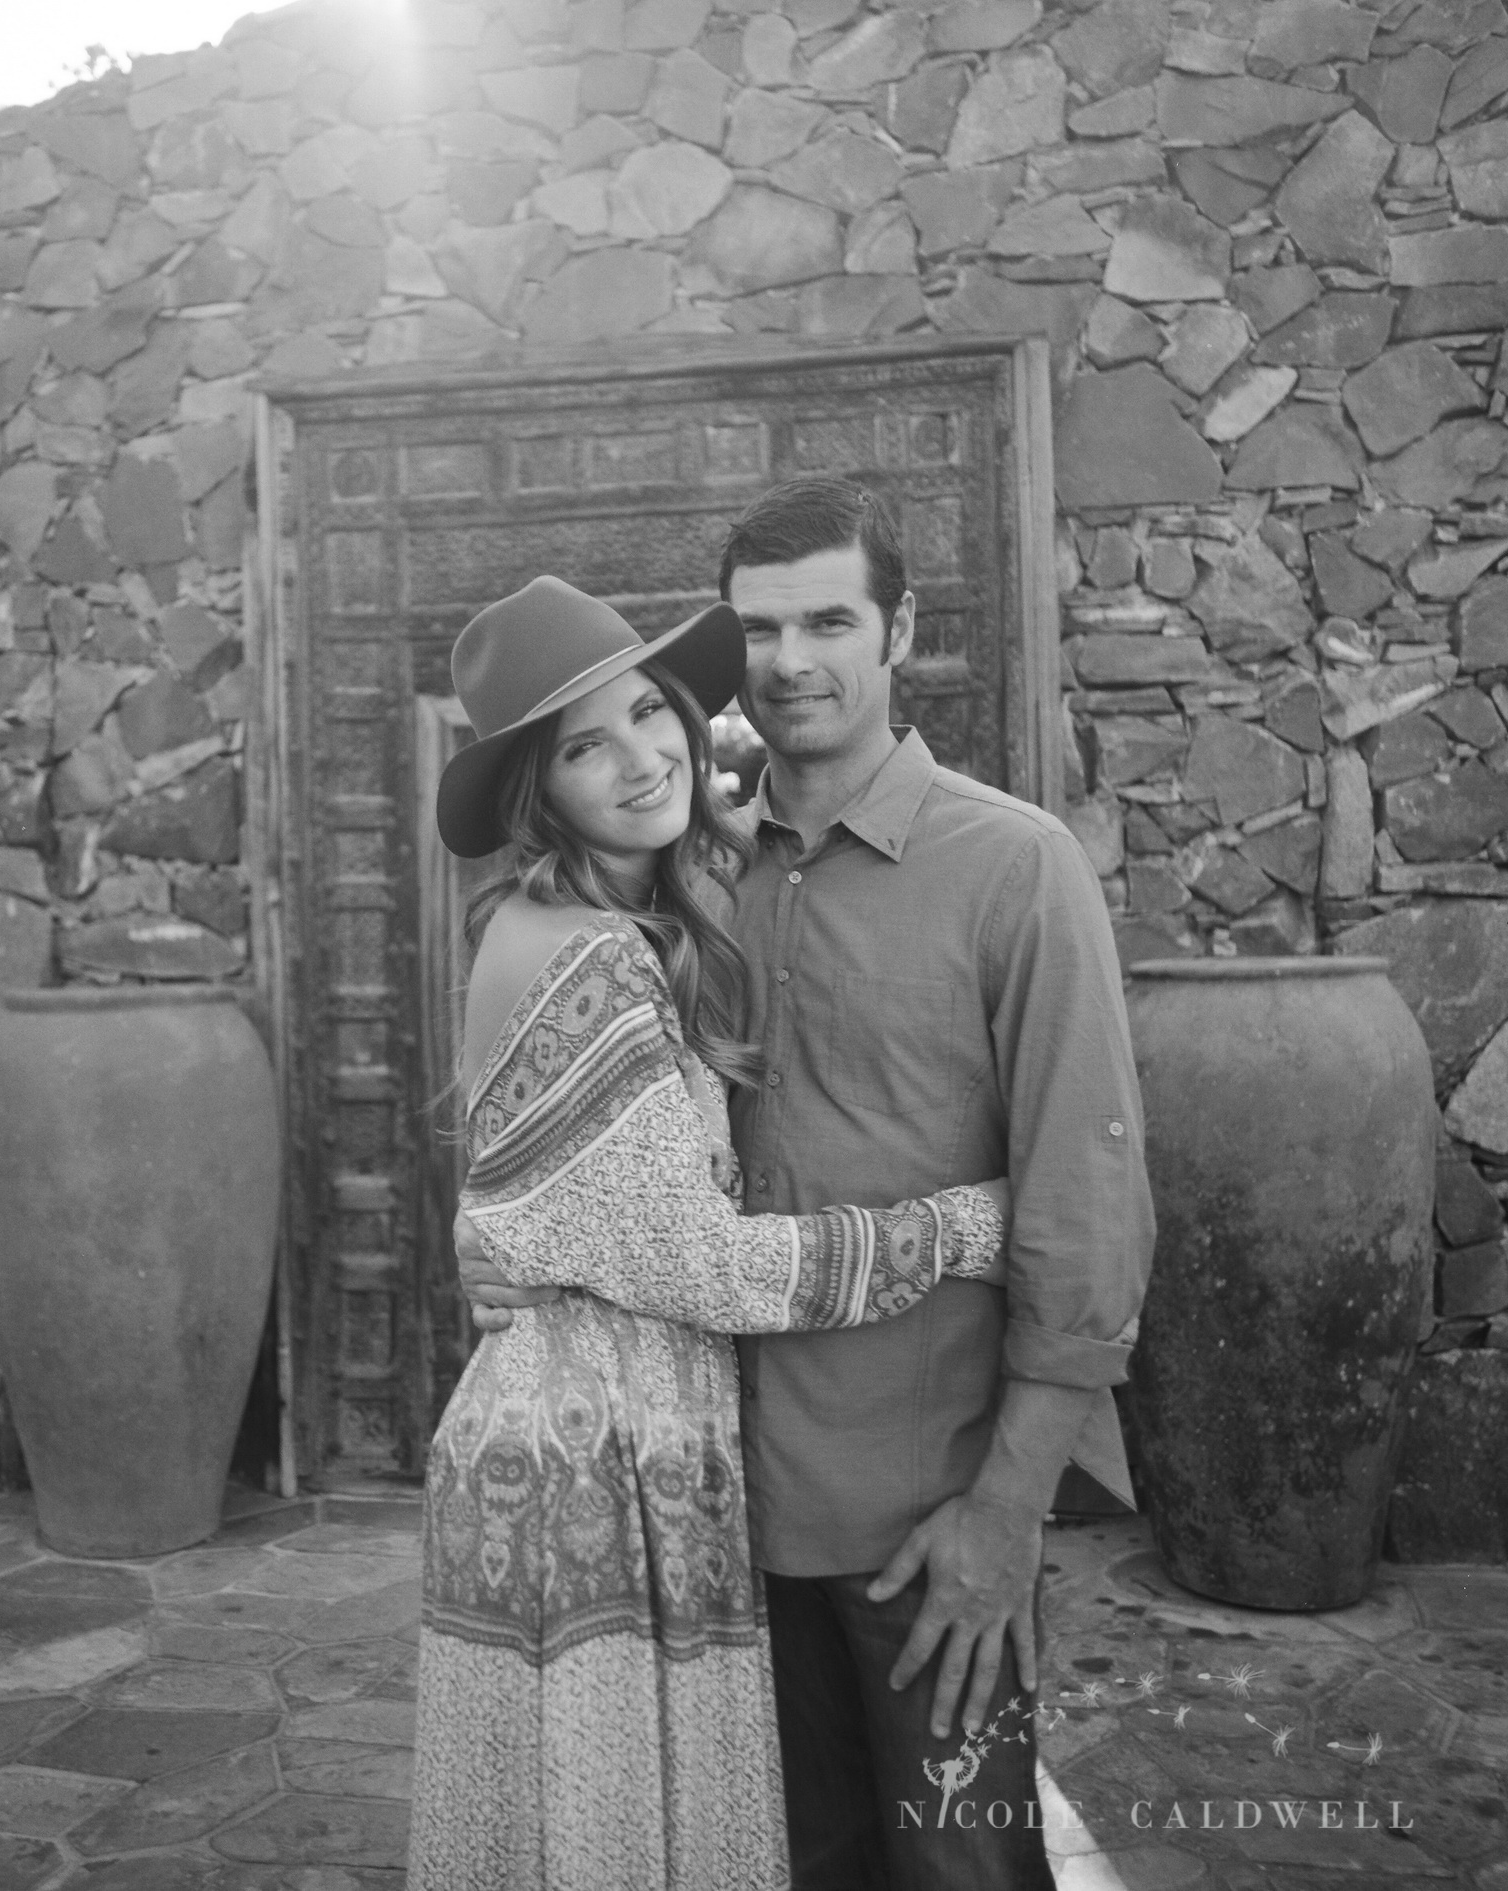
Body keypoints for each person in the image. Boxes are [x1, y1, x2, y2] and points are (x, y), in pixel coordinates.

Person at [467, 479, 1155, 1890]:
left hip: (924, 1518)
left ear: (898, 630)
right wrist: (497, 1239)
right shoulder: (688, 876)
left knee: (965, 1870)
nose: (790, 662)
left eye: (830, 621)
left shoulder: (1014, 868)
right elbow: (562, 1119)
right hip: (711, 1519)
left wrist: (1007, 1511)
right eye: (761, 630)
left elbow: (1088, 1219)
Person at [407, 574, 1014, 1891]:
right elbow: (704, 1266)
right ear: (539, 790)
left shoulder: (637, 913)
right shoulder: (587, 953)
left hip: (615, 1439)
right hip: (587, 1471)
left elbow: (540, 1180)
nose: (639, 760)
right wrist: (966, 1227)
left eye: (647, 713)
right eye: (586, 746)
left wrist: (491, 1224)